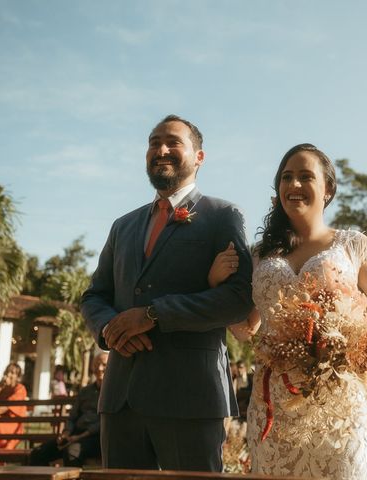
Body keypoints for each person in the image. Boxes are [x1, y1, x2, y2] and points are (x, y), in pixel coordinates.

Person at [214, 144, 367, 479]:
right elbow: (247, 328)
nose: (294, 185)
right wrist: (216, 282)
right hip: (274, 403)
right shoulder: (259, 255)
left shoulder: (353, 245)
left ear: (328, 189)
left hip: (340, 404)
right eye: (287, 177)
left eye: (306, 176)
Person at [80, 114, 254, 472]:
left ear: (199, 157)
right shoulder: (123, 226)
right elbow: (93, 296)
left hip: (190, 396)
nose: (161, 149)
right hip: (120, 399)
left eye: (173, 142)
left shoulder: (223, 215)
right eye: (153, 142)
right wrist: (110, 331)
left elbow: (239, 297)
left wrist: (152, 315)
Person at [30, 353, 108, 467]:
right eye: (97, 364)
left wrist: (79, 437)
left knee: (72, 452)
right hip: (74, 435)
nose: (100, 368)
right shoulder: (85, 391)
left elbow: (103, 422)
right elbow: (73, 417)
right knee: (37, 453)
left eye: (104, 365)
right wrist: (66, 433)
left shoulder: (112, 394)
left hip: (94, 438)